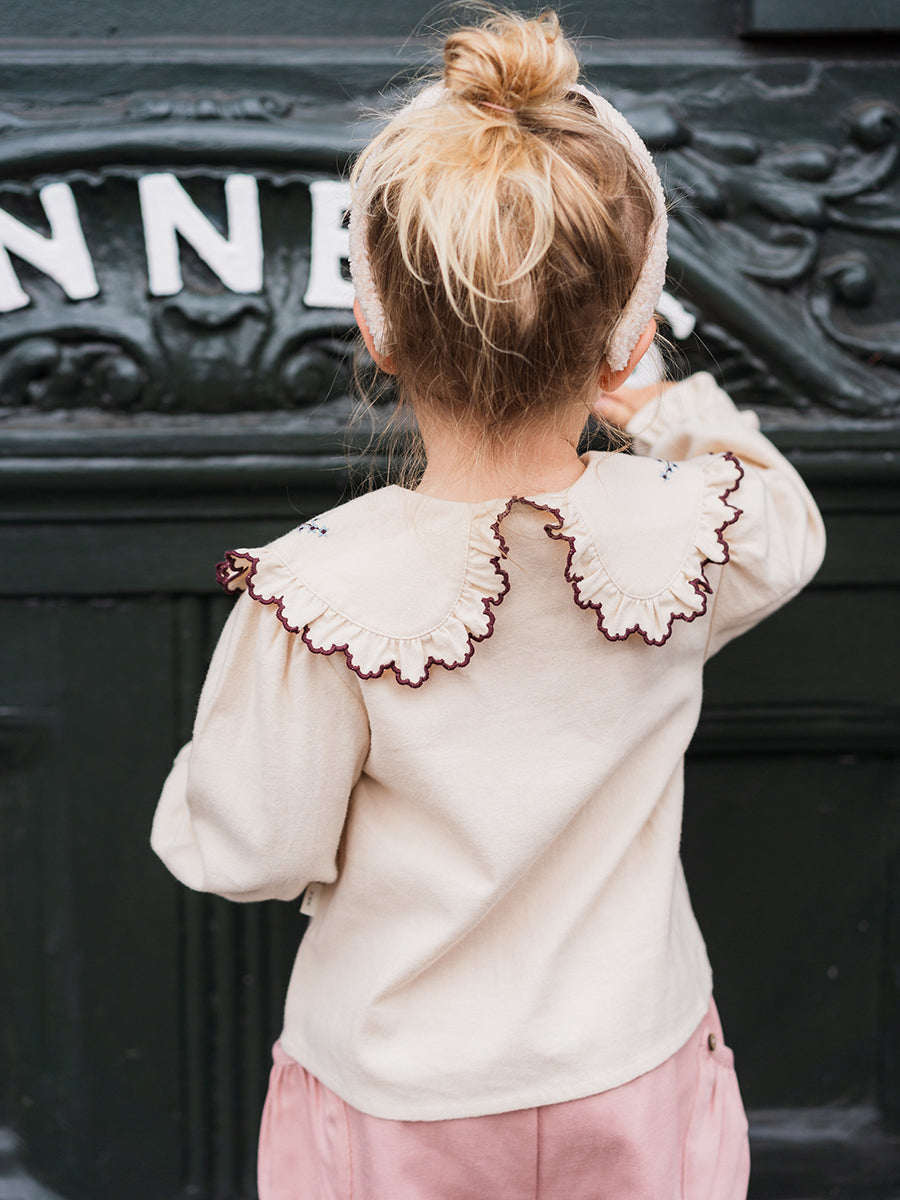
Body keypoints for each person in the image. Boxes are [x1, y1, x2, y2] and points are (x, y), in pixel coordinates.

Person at [151, 10, 825, 1198]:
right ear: (628, 333)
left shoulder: (318, 592)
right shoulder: (697, 528)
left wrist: (200, 794)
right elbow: (790, 523)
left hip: (396, 1095)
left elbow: (251, 848)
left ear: (376, 326)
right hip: (633, 1064)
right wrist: (665, 405)